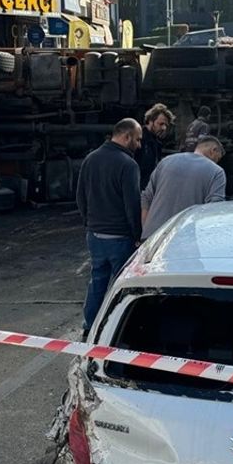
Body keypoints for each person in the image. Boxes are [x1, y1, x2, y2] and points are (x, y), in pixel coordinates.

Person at [77, 118, 143, 334]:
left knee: (97, 280)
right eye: (138, 139)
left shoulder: (90, 159)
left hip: (95, 234)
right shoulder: (128, 164)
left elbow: (80, 196)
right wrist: (136, 235)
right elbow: (132, 204)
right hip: (120, 237)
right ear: (126, 137)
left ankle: (90, 326)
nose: (139, 145)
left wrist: (89, 222)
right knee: (121, 287)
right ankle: (115, 332)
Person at [141, 136, 227, 237]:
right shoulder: (217, 172)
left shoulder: (166, 161)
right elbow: (213, 210)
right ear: (213, 150)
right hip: (183, 240)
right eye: (218, 158)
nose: (217, 162)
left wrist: (145, 230)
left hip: (151, 237)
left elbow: (146, 198)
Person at [137, 103, 174, 188]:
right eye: (161, 124)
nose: (164, 128)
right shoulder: (139, 138)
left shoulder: (157, 143)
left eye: (166, 125)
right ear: (150, 121)